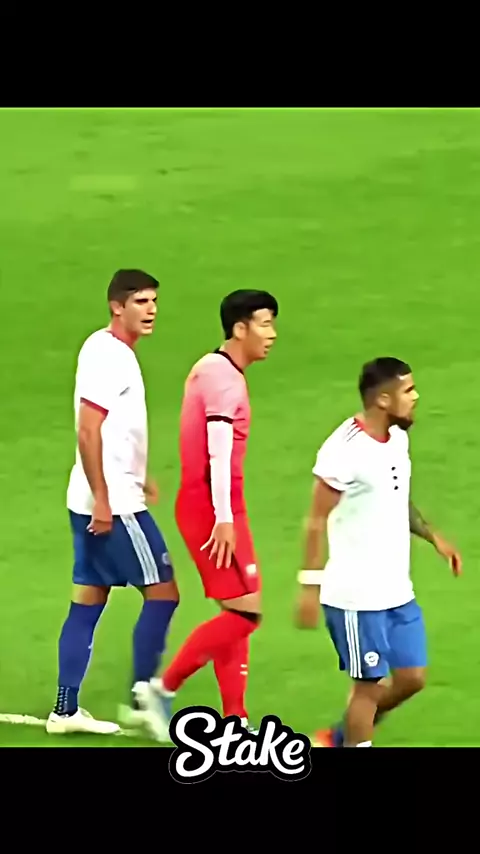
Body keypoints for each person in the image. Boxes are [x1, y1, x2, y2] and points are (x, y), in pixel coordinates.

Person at [133, 289, 278, 741]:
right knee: (246, 613)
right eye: (265, 324)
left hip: (214, 505)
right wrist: (224, 518)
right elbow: (217, 452)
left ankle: (235, 718)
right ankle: (161, 688)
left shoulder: (214, 368)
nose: (272, 334)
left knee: (235, 611)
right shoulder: (224, 380)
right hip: (212, 509)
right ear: (240, 328)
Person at [295, 357, 461, 748]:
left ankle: (338, 738)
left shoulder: (397, 438)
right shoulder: (344, 451)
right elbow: (315, 520)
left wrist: (433, 537)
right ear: (383, 400)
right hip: (356, 597)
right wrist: (309, 587)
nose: (416, 397)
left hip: (396, 589)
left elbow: (396, 495)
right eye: (408, 390)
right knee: (367, 689)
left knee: (412, 677)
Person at [46, 269, 179, 735]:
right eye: (141, 301)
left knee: (88, 599)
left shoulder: (107, 349)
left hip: (96, 494)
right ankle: (144, 697)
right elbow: (88, 430)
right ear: (116, 306)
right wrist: (105, 497)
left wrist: (140, 474)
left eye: (154, 301)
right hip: (113, 504)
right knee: (163, 592)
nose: (151, 309)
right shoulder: (110, 357)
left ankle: (65, 710)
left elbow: (116, 428)